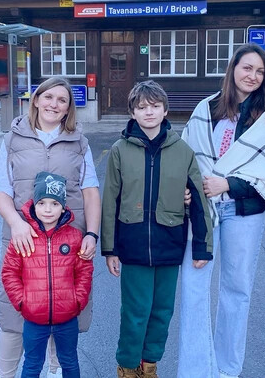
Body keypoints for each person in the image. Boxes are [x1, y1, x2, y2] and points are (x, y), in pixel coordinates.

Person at [178, 43, 265, 378]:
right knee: (194, 288)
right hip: (203, 211)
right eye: (247, 68)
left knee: (237, 290)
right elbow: (186, 157)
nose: (252, 76)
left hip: (244, 213)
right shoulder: (206, 109)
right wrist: (188, 189)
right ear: (233, 68)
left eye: (260, 72)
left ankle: (227, 369)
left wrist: (227, 183)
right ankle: (196, 369)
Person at [101, 80, 213, 378]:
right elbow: (110, 200)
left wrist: (202, 246)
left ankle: (149, 366)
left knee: (162, 312)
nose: (148, 112)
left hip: (169, 243)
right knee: (135, 312)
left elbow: (198, 200)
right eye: (142, 107)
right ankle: (127, 366)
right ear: (132, 113)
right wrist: (110, 248)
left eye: (154, 106)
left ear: (165, 110)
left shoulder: (183, 151)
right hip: (133, 245)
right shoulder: (120, 150)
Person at [0, 77, 101, 378]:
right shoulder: (13, 140)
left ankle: (55, 371)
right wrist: (16, 224)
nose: (54, 104)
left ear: (68, 108)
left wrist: (91, 233)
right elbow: (0, 190)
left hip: (67, 240)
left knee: (61, 311)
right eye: (48, 97)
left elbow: (91, 192)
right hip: (23, 239)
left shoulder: (79, 143)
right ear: (36, 100)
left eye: (62, 100)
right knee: (13, 317)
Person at [1, 172, 94, 378]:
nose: (48, 209)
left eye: (55, 203)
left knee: (69, 361)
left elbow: (84, 271)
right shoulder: (24, 236)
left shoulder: (74, 237)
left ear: (63, 207)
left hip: (67, 317)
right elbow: (9, 272)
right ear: (34, 205)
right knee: (32, 365)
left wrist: (77, 301)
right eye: (42, 203)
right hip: (33, 318)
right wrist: (22, 302)